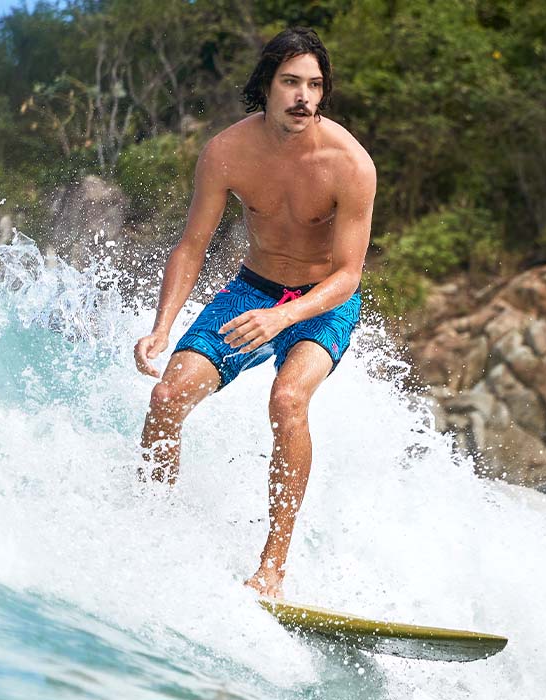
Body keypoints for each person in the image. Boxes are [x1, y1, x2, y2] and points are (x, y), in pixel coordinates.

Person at [133, 27, 376, 599]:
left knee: (287, 399)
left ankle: (272, 569)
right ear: (266, 85)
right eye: (291, 82)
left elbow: (348, 275)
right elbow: (192, 246)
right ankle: (149, 531)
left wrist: (283, 319)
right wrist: (162, 327)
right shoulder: (226, 152)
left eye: (314, 85)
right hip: (254, 289)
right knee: (167, 397)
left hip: (322, 302)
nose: (303, 97)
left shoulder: (349, 164)